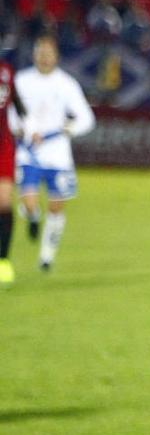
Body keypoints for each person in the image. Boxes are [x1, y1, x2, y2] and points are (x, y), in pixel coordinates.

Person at [9, 33, 95, 273]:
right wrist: (21, 129)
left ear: (56, 56)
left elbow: (87, 118)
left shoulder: (66, 84)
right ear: (34, 54)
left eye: (49, 53)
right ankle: (33, 216)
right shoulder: (22, 81)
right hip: (29, 152)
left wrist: (68, 129)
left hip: (58, 155)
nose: (45, 58)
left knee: (56, 207)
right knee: (28, 201)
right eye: (41, 53)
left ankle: (46, 258)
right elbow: (12, 113)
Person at [0, 55, 24, 286]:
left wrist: (28, 125)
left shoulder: (6, 70)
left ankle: (3, 260)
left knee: (4, 202)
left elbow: (18, 104)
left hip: (3, 146)